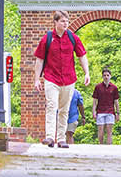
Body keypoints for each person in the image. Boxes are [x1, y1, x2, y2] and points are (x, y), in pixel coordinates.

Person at [31, 10, 89, 148]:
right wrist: (36, 79)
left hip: (69, 79)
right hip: (51, 78)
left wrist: (87, 73)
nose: (65, 24)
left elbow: (82, 56)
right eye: (62, 21)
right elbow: (39, 60)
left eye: (67, 21)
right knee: (52, 106)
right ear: (55, 22)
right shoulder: (47, 38)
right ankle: (50, 137)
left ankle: (61, 139)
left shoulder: (73, 37)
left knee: (64, 109)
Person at [92, 68, 120, 145]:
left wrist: (118, 113)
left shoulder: (114, 88)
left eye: (108, 75)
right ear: (102, 76)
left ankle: (109, 147)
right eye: (104, 75)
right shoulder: (98, 87)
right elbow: (95, 101)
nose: (106, 77)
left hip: (110, 111)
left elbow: (116, 101)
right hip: (100, 111)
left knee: (109, 132)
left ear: (110, 76)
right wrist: (93, 112)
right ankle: (101, 145)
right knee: (100, 131)